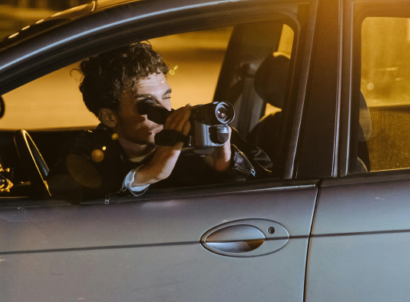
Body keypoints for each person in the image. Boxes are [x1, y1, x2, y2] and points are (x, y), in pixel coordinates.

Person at [50, 42, 271, 200]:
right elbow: (58, 191)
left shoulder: (201, 136)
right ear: (110, 116)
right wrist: (147, 175)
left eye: (166, 97)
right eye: (147, 105)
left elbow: (278, 189)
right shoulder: (89, 148)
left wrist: (228, 166)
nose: (164, 110)